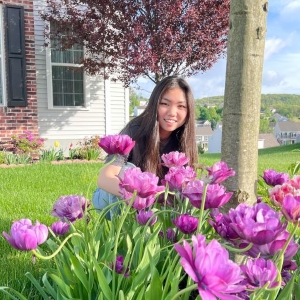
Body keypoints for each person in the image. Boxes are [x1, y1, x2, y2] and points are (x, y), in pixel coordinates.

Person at [92, 75, 198, 218]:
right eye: (165, 104)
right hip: (109, 198)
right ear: (154, 104)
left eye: (181, 106)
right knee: (130, 171)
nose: (172, 112)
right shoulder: (135, 131)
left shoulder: (183, 142)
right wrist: (139, 195)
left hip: (148, 205)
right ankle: (119, 234)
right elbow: (105, 178)